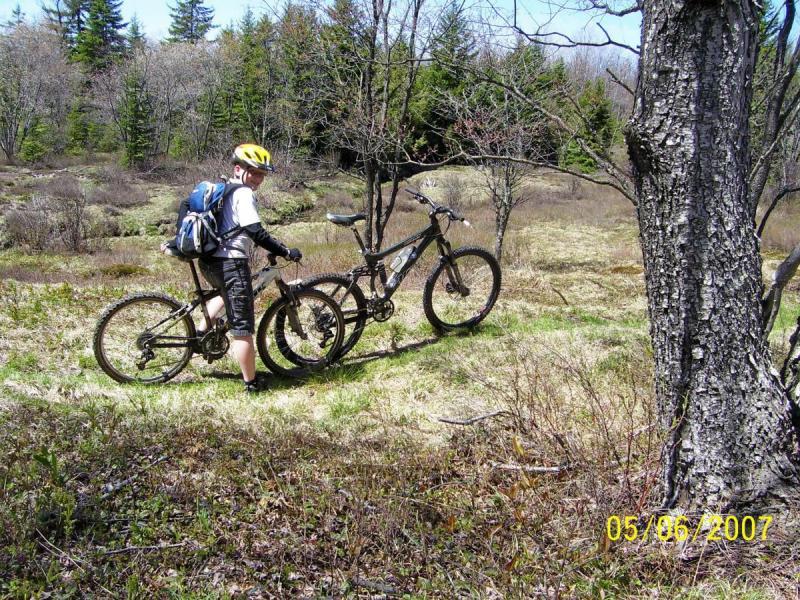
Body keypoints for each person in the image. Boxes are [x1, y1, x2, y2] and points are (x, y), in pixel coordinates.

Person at [196, 143, 302, 393]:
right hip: (230, 263)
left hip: (210, 261)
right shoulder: (243, 193)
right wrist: (285, 251)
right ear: (238, 168)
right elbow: (255, 231)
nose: (258, 178)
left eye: (262, 174)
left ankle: (200, 336)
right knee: (242, 329)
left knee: (224, 297)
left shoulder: (224, 189)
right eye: (253, 172)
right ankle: (252, 383)